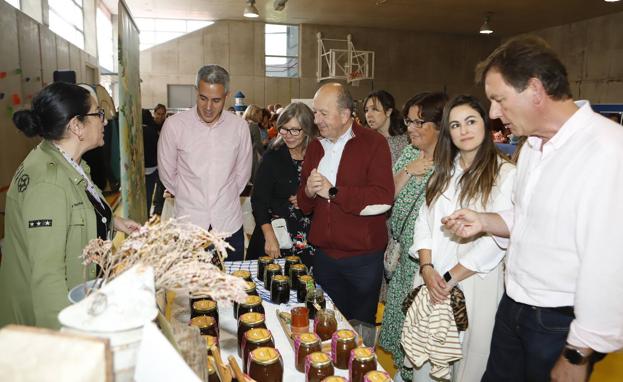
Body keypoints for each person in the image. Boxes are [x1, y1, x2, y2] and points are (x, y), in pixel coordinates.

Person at [442, 36, 623, 382]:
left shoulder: (606, 151)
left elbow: (610, 265)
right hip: (514, 306)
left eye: (498, 99)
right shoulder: (533, 148)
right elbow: (526, 218)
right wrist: (484, 221)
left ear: (535, 90)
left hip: (558, 323)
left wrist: (577, 352)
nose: (493, 112)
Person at [0, 82, 140, 330]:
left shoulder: (70, 164)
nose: (105, 121)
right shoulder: (48, 185)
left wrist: (114, 221)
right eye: (98, 114)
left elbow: (78, 206)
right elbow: (47, 278)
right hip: (43, 327)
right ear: (76, 125)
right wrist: (69, 341)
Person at [407, 95, 515, 381]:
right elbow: (424, 223)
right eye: (455, 125)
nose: (463, 130)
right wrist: (427, 269)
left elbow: (495, 241)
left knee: (468, 365)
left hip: (473, 284)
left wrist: (448, 279)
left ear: (485, 123)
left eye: (471, 121)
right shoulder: (443, 172)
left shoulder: (506, 174)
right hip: (432, 282)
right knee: (426, 366)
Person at [296, 82, 394, 325]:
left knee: (360, 326)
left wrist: (334, 192)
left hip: (363, 259)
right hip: (324, 258)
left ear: (345, 114)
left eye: (323, 113)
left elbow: (383, 197)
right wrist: (308, 191)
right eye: (315, 112)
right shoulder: (316, 147)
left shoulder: (374, 144)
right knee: (325, 322)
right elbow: (304, 206)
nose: (316, 119)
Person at [377, 91, 447, 380]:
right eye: (409, 121)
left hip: (427, 269)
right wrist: (409, 169)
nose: (411, 129)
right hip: (401, 264)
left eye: (420, 123)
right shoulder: (408, 153)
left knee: (419, 340)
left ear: (440, 127)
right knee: (398, 331)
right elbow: (386, 197)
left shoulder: (450, 166)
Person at [158, 65, 252, 261]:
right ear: (196, 92)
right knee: (190, 289)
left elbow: (242, 174)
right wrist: (190, 197)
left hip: (228, 225)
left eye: (216, 100)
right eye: (203, 98)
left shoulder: (239, 127)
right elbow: (168, 175)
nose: (208, 107)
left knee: (230, 286)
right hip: (188, 227)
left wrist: (223, 199)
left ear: (226, 96)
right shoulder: (174, 126)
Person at [247, 103, 319, 267]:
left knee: (305, 288)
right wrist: (269, 236)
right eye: (284, 129)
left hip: (308, 240)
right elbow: (258, 200)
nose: (288, 135)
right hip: (276, 237)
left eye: (295, 130)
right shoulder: (273, 156)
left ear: (307, 129)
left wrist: (308, 199)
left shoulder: (318, 155)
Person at [363, 90, 408, 164]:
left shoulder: (405, 141)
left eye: (374, 109)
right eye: (366, 110)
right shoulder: (365, 141)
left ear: (388, 112)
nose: (368, 115)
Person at [142, 109, 160, 214]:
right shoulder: (153, 132)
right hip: (152, 167)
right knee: (149, 194)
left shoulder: (135, 132)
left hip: (138, 169)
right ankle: (146, 215)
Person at [243, 104, 266, 183]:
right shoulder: (254, 126)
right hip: (251, 156)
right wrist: (265, 156)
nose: (261, 118)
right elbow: (258, 145)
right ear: (254, 113)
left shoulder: (243, 123)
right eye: (260, 115)